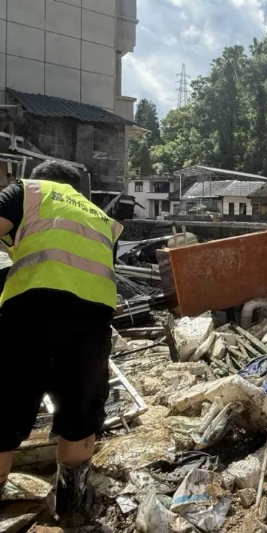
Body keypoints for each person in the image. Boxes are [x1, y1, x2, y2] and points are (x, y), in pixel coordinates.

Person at [0, 161, 123, 524]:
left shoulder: (27, 191)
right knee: (79, 414)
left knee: (5, 410)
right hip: (93, 323)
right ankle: (70, 508)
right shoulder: (103, 219)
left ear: (40, 178)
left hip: (30, 312)